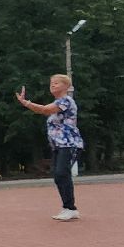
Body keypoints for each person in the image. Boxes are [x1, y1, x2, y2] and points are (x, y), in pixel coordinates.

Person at [17, 74, 83, 221]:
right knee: (59, 176)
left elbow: (45, 110)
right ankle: (67, 207)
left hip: (69, 143)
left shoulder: (66, 100)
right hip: (58, 145)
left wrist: (26, 103)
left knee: (61, 174)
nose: (53, 85)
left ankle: (71, 208)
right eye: (51, 83)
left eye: (57, 83)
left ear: (66, 86)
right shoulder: (58, 102)